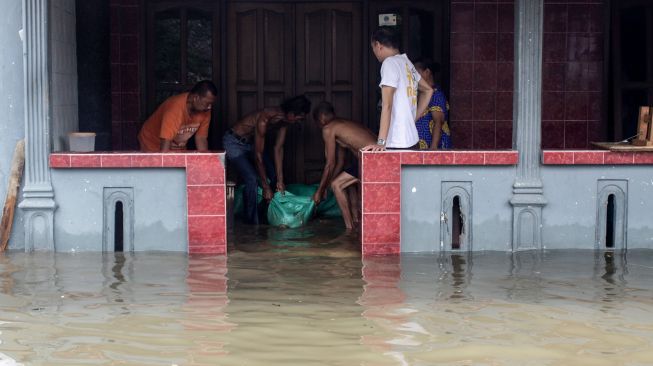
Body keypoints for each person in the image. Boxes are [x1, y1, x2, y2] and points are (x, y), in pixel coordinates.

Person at [224, 95, 311, 225]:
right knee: (252, 179)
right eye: (300, 117)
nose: (300, 120)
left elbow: (278, 149)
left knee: (274, 176)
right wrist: (265, 187)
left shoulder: (285, 121)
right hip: (234, 142)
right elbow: (258, 157)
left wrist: (280, 181)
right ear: (292, 114)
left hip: (250, 144)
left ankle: (268, 214)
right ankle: (252, 223)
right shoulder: (264, 118)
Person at [363, 27, 434, 151]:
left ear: (378, 45)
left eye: (372, 48)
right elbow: (428, 90)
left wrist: (380, 142)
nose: (374, 52)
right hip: (412, 140)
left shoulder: (389, 63)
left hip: (397, 142)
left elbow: (387, 105)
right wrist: (412, 119)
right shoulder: (406, 62)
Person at [312, 102, 377, 230]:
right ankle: (355, 219)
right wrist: (326, 185)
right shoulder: (343, 125)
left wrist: (320, 191)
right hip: (373, 156)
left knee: (337, 185)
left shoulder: (328, 128)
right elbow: (340, 163)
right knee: (347, 183)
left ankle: (349, 228)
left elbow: (330, 164)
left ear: (321, 118)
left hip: (372, 158)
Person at [138, 80, 217, 152]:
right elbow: (165, 146)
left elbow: (201, 138)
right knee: (161, 165)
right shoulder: (174, 109)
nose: (209, 107)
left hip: (177, 145)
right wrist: (165, 162)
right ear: (196, 98)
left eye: (211, 104)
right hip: (154, 143)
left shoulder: (205, 110)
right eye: (207, 103)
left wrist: (205, 161)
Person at [413, 58, 452, 150]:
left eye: (415, 73)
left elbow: (438, 121)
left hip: (432, 149)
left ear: (427, 72)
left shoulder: (435, 94)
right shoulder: (419, 93)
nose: (413, 77)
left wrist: (433, 148)